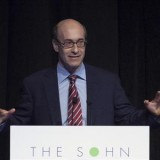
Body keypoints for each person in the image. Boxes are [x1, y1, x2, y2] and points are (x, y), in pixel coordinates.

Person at [0, 18, 160, 128]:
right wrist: (3, 122)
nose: (76, 50)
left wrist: (152, 115)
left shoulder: (108, 82)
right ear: (56, 45)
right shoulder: (34, 84)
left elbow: (128, 119)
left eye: (80, 42)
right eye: (68, 43)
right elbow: (19, 125)